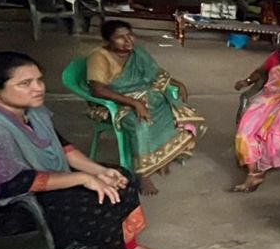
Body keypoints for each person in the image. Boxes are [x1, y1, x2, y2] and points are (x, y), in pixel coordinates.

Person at [0, 52, 163, 249]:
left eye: (39, 80)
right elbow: (14, 183)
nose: (38, 88)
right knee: (92, 203)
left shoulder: (32, 112)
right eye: (25, 83)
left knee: (120, 178)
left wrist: (100, 171)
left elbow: (65, 149)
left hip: (37, 183)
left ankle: (128, 248)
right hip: (4, 208)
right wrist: (83, 178)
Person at [86, 20, 204, 195]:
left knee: (174, 110)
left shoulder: (137, 53)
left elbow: (156, 74)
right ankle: (143, 175)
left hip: (144, 96)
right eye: (120, 37)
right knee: (140, 123)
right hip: (115, 103)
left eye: (130, 35)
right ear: (108, 39)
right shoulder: (99, 57)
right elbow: (98, 90)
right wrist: (133, 103)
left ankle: (162, 157)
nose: (128, 40)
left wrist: (178, 84)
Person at [231, 45, 280, 192]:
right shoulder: (276, 56)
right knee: (246, 128)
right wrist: (247, 81)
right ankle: (254, 171)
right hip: (268, 97)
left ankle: (256, 172)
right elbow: (260, 72)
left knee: (276, 126)